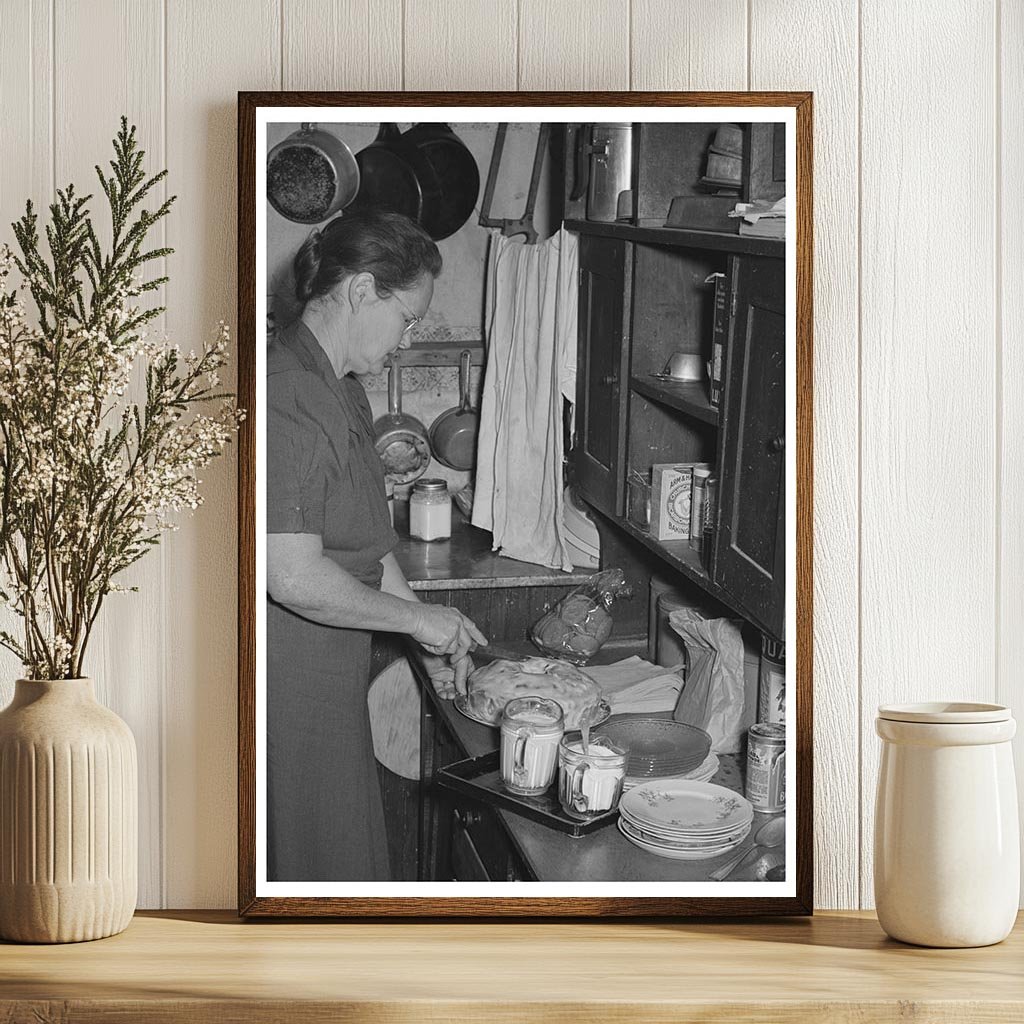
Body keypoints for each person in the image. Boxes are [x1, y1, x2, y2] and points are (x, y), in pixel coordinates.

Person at [265, 209, 487, 882]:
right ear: (362, 291)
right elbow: (291, 574)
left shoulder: (344, 391)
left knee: (342, 856)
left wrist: (426, 631)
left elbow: (372, 549)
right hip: (287, 680)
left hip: (334, 671)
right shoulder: (285, 395)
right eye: (409, 316)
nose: (410, 335)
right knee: (310, 863)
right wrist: (420, 619)